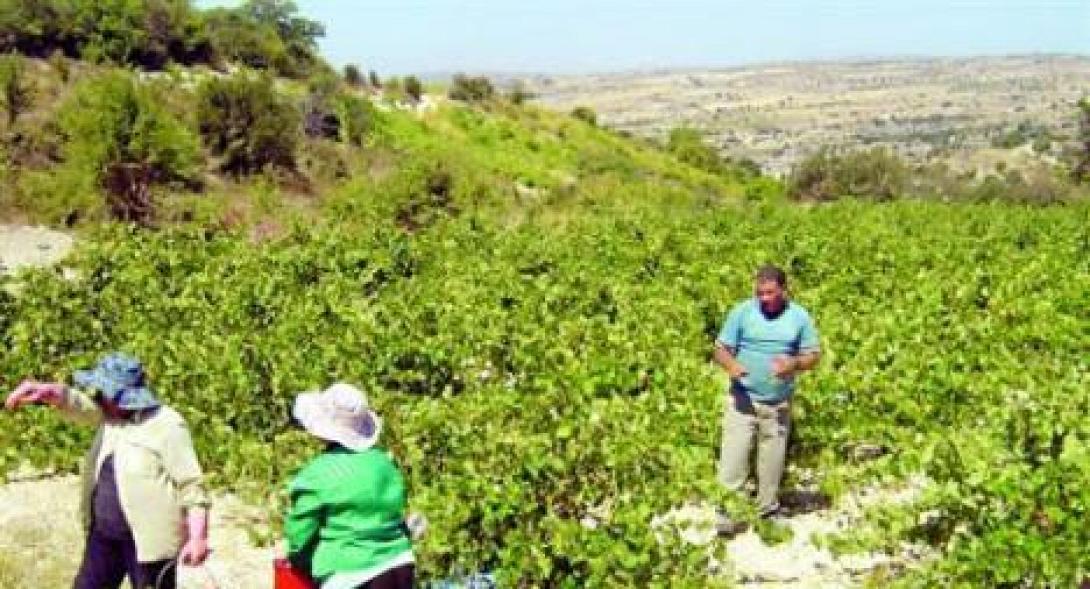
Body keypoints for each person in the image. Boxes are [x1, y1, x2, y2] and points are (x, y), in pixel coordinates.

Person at [3, 352, 210, 589]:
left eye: (102, 392)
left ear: (122, 397)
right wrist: (46, 392)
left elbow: (192, 485)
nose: (97, 396)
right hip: (104, 535)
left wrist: (198, 538)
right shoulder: (110, 416)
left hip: (149, 543)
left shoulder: (167, 425)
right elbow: (78, 404)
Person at [713, 265, 821, 518]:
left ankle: (768, 508)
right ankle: (728, 511)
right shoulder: (742, 312)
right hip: (742, 398)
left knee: (772, 460)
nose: (764, 299)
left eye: (770, 293)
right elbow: (719, 349)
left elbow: (813, 356)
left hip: (778, 401)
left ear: (784, 290)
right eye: (760, 293)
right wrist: (732, 365)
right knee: (734, 455)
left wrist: (795, 364)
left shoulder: (799, 317)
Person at [285, 383, 416, 589]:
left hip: (349, 573)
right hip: (399, 565)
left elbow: (300, 535)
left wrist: (300, 563)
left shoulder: (316, 474)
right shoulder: (384, 463)